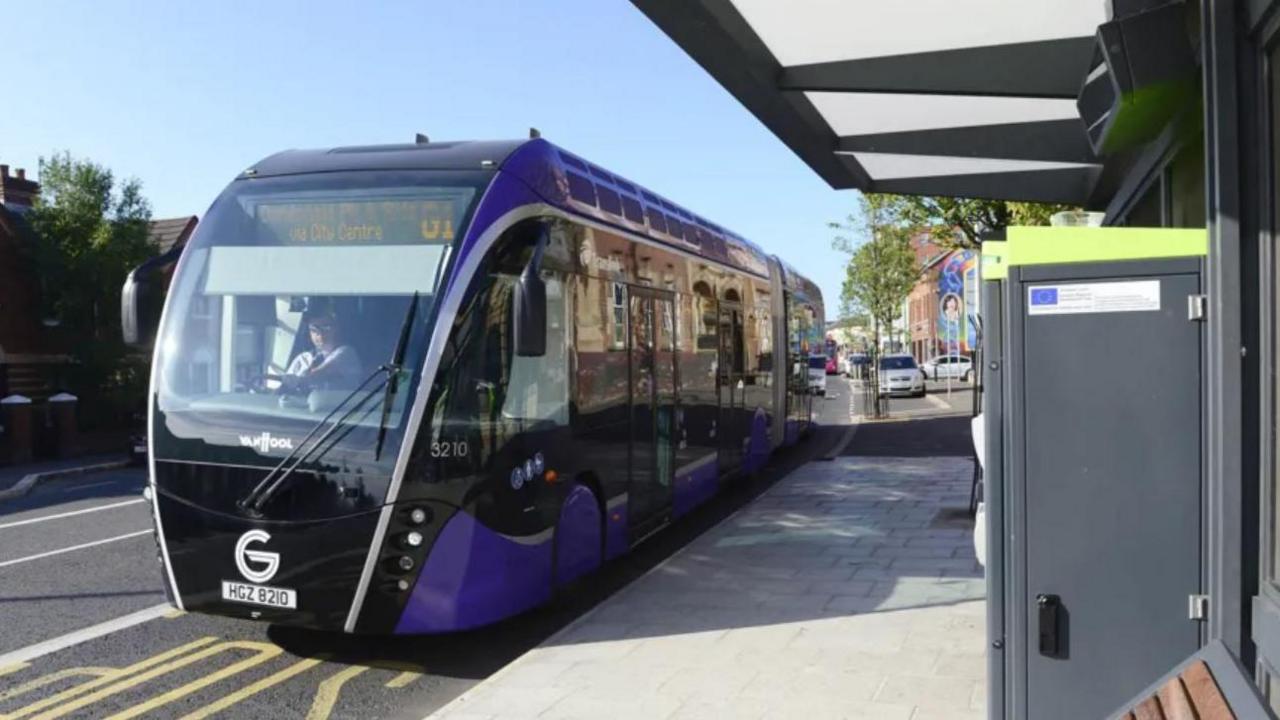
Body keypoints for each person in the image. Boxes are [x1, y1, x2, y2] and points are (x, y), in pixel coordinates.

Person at [281, 313, 363, 392]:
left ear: (336, 329)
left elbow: (318, 374)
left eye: (326, 327)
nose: (320, 333)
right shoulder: (302, 359)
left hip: (340, 405)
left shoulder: (346, 353)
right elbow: (284, 385)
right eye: (314, 329)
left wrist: (298, 380)